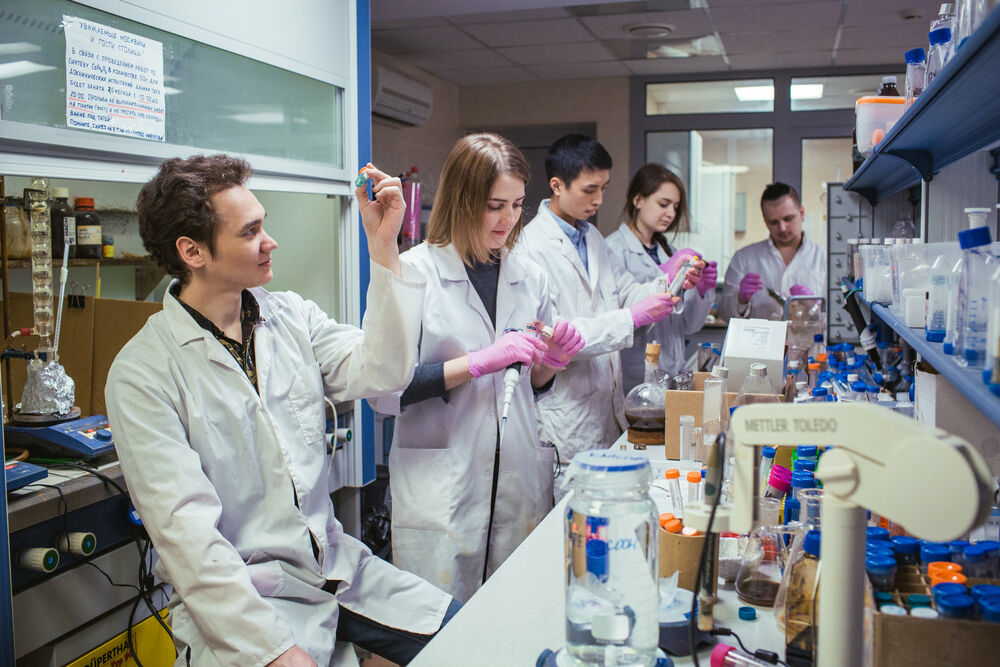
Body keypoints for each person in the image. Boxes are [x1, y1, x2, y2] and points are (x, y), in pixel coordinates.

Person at [105, 154, 458, 667]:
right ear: (192, 251)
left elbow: (384, 372)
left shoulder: (290, 316)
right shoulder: (144, 373)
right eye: (251, 232)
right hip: (249, 595)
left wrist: (383, 245)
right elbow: (188, 538)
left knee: (468, 635)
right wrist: (274, 651)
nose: (270, 242)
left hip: (338, 568)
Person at [370, 133, 584, 603]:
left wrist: (552, 363)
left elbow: (529, 385)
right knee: (442, 626)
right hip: (443, 488)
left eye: (518, 205)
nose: (509, 219)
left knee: (511, 617)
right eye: (494, 206)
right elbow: (383, 391)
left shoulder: (530, 275)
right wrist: (477, 364)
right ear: (462, 201)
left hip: (517, 481)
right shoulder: (412, 272)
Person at [518, 134, 680, 464]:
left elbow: (627, 292)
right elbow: (554, 335)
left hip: (607, 408)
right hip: (566, 418)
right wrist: (631, 318)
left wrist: (672, 280)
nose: (599, 200)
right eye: (590, 190)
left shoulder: (591, 237)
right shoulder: (530, 246)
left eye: (604, 188)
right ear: (557, 185)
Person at [606, 163, 717, 392]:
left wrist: (702, 291)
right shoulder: (613, 249)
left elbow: (688, 325)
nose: (671, 214)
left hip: (673, 370)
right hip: (635, 374)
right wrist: (665, 276)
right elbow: (615, 318)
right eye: (663, 204)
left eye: (675, 207)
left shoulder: (668, 251)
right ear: (638, 200)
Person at [719, 182, 827, 322]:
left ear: (801, 213)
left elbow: (839, 318)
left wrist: (815, 306)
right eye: (773, 222)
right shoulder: (743, 259)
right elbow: (725, 316)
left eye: (788, 219)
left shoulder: (824, 258)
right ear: (765, 221)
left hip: (809, 336)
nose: (782, 228)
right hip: (761, 337)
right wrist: (740, 300)